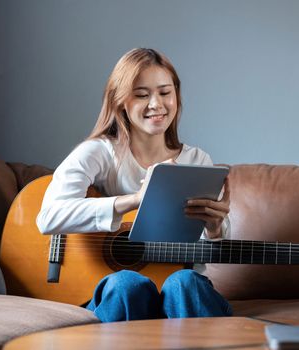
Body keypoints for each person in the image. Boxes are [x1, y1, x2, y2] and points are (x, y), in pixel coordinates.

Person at [36, 48, 232, 322]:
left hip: (180, 298)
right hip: (118, 295)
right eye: (142, 95)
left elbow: (206, 255)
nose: (156, 104)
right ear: (121, 102)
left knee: (184, 282)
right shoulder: (100, 152)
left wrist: (214, 228)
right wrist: (135, 199)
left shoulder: (196, 160)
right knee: (126, 283)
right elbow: (48, 218)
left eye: (165, 92)